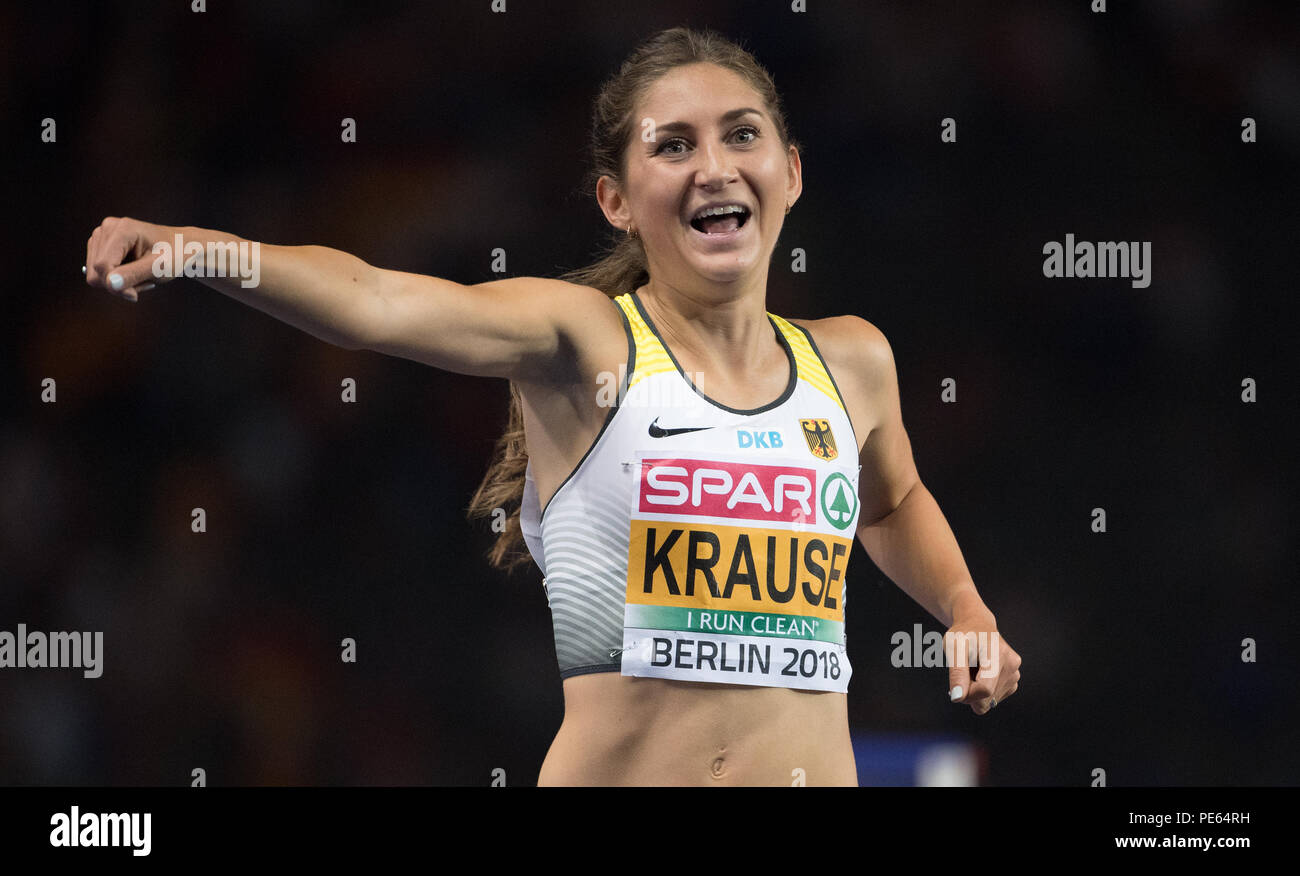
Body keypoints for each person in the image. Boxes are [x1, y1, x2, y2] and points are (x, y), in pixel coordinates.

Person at [83, 26, 1020, 786]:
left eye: (742, 134)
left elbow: (892, 502)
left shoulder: (851, 359)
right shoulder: (585, 343)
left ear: (793, 171)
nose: (716, 165)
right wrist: (199, 248)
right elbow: (375, 300)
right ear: (616, 200)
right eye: (673, 146)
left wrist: (965, 606)